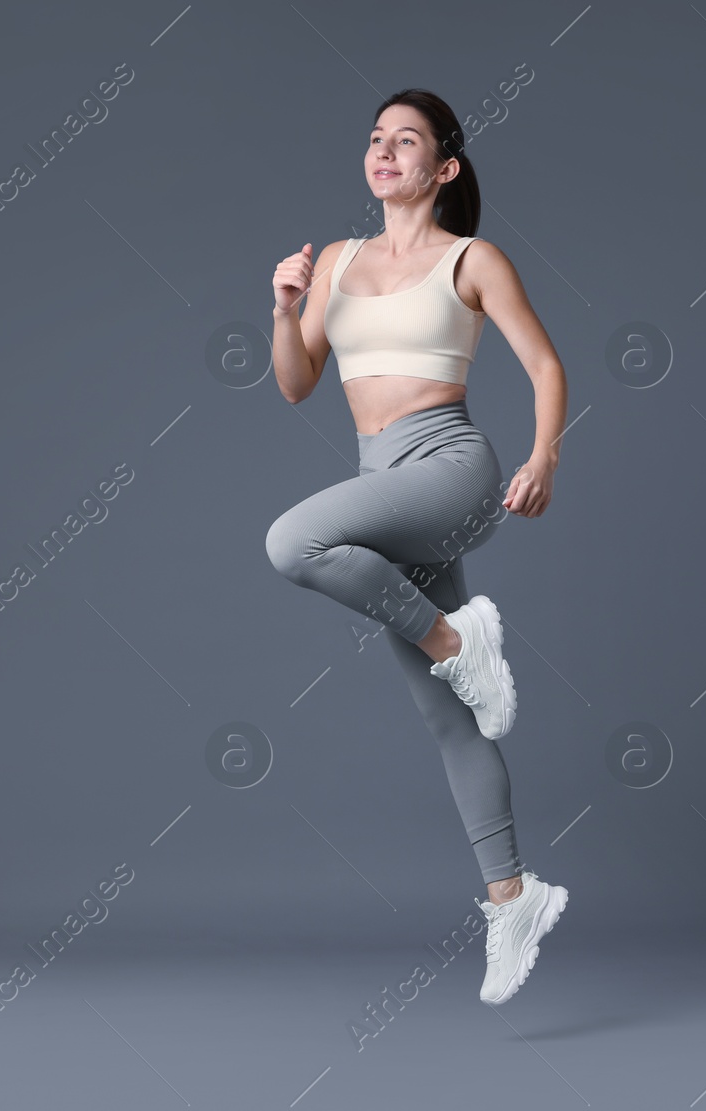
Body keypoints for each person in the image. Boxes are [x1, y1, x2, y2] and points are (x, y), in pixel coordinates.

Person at [265, 89, 569, 1005]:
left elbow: (546, 363)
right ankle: (514, 894)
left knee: (292, 540)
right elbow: (295, 386)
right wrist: (285, 310)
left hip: (448, 466)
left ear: (445, 168)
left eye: (407, 141)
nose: (385, 151)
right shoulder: (339, 263)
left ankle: (454, 640)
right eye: (375, 139)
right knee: (452, 719)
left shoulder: (473, 259)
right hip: (381, 475)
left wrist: (543, 452)